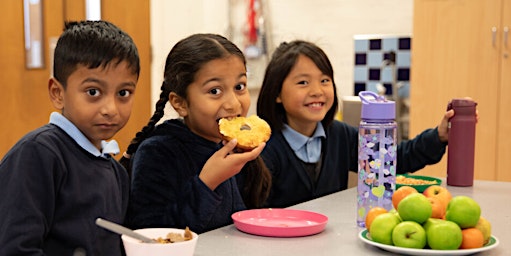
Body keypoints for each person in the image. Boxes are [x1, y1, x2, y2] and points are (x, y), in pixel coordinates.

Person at [255, 40, 455, 208]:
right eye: (303, 83)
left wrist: (438, 136)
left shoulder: (340, 135)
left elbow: (392, 160)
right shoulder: (264, 148)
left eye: (324, 80)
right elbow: (255, 210)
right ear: (277, 93)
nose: (317, 90)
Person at [0, 20, 140, 255]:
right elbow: (15, 248)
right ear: (58, 93)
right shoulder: (38, 154)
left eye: (123, 93)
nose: (111, 108)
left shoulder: (114, 171)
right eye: (93, 92)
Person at [120, 33, 272, 234]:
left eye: (239, 87)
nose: (234, 103)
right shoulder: (157, 152)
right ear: (180, 103)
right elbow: (151, 235)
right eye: (215, 91)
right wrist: (207, 182)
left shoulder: (238, 145)